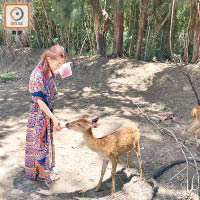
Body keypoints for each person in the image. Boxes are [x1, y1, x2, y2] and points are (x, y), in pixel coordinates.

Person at [25, 45, 67, 183]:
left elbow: (53, 75)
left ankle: (39, 167)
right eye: (58, 63)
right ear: (49, 58)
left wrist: (62, 69)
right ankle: (43, 173)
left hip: (46, 112)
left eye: (62, 63)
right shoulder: (36, 75)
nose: (60, 66)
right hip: (40, 114)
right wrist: (54, 118)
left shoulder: (47, 68)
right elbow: (40, 103)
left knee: (41, 141)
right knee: (40, 141)